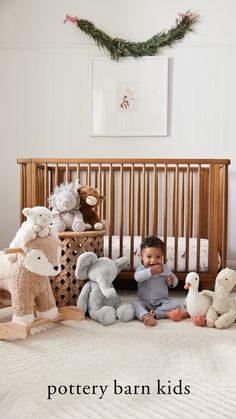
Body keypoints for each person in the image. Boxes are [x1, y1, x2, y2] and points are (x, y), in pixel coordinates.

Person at [133, 235, 188, 326]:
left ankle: (156, 314)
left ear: (162, 256)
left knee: (176, 304)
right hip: (144, 302)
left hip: (162, 301)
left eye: (157, 257)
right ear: (142, 256)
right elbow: (137, 277)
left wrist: (171, 281)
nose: (153, 260)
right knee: (135, 305)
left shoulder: (165, 268)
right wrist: (151, 271)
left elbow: (175, 281)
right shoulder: (141, 269)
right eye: (149, 257)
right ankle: (146, 315)